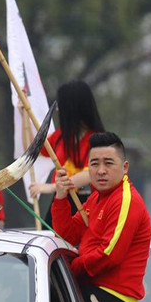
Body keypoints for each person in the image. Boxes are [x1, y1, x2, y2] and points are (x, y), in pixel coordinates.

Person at [51, 132, 151, 302]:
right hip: (91, 288)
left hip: (112, 298)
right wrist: (61, 198)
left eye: (108, 163)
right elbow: (68, 235)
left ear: (125, 167)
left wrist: (70, 270)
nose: (101, 170)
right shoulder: (97, 197)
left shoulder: (125, 199)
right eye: (95, 164)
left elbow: (108, 254)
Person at [30, 80, 105, 219]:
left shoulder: (98, 140)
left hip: (87, 204)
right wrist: (25, 113)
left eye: (61, 105)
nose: (57, 110)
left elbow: (90, 174)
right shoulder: (60, 136)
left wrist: (52, 187)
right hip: (61, 201)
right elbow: (32, 148)